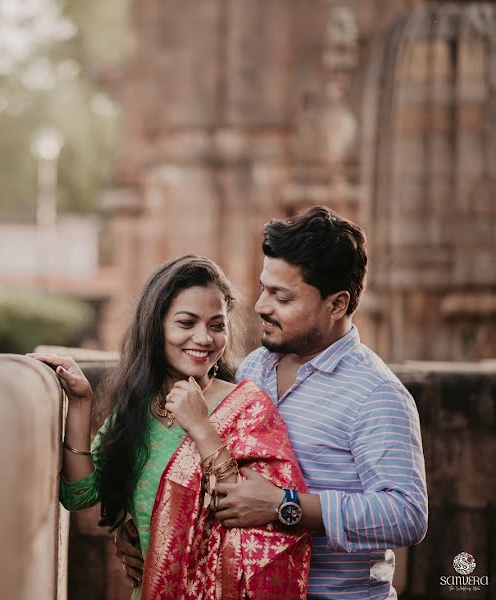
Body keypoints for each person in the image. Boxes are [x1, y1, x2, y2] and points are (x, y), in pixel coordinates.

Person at [115, 207, 428, 599]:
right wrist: (151, 533)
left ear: (336, 304)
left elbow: (406, 516)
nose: (261, 305)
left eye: (281, 296)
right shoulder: (255, 368)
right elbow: (211, 468)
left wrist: (287, 507)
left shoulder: (375, 394)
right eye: (264, 288)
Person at [30, 255, 311, 599]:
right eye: (186, 322)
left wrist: (202, 428)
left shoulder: (249, 407)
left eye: (216, 325)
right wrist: (80, 403)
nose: (203, 338)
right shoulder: (137, 409)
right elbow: (80, 494)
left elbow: (261, 526)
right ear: (156, 327)